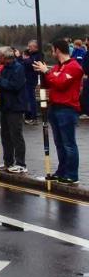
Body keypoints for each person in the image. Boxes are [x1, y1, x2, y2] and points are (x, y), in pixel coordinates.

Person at [34, 39, 84, 184]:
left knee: (69, 143)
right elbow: (50, 80)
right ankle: (61, 171)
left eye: (52, 50)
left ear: (57, 50)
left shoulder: (74, 67)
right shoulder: (57, 67)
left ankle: (72, 175)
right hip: (54, 107)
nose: (51, 53)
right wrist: (43, 72)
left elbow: (61, 83)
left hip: (67, 109)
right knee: (59, 143)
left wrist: (47, 72)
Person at [0, 46, 27, 173]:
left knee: (16, 135)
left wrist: (0, 79)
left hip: (15, 106)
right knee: (5, 135)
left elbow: (14, 86)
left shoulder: (18, 68)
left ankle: (21, 163)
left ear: (5, 57)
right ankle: (8, 161)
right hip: (5, 105)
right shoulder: (5, 68)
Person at [20, 41, 44, 124]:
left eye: (30, 46)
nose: (28, 48)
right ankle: (28, 115)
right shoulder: (31, 54)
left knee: (30, 98)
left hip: (31, 79)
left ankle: (33, 117)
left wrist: (23, 58)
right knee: (26, 98)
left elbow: (30, 63)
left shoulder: (38, 55)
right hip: (26, 78)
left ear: (36, 47)